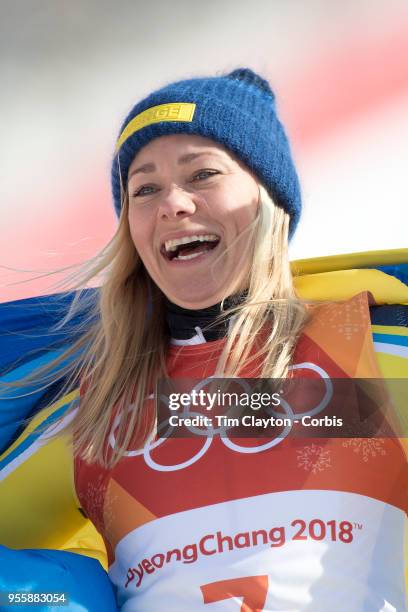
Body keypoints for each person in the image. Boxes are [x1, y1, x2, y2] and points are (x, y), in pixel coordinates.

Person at [0, 68, 407, 611]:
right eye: (144, 189)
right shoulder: (94, 410)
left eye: (202, 175)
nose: (173, 203)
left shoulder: (366, 351)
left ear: (269, 200)